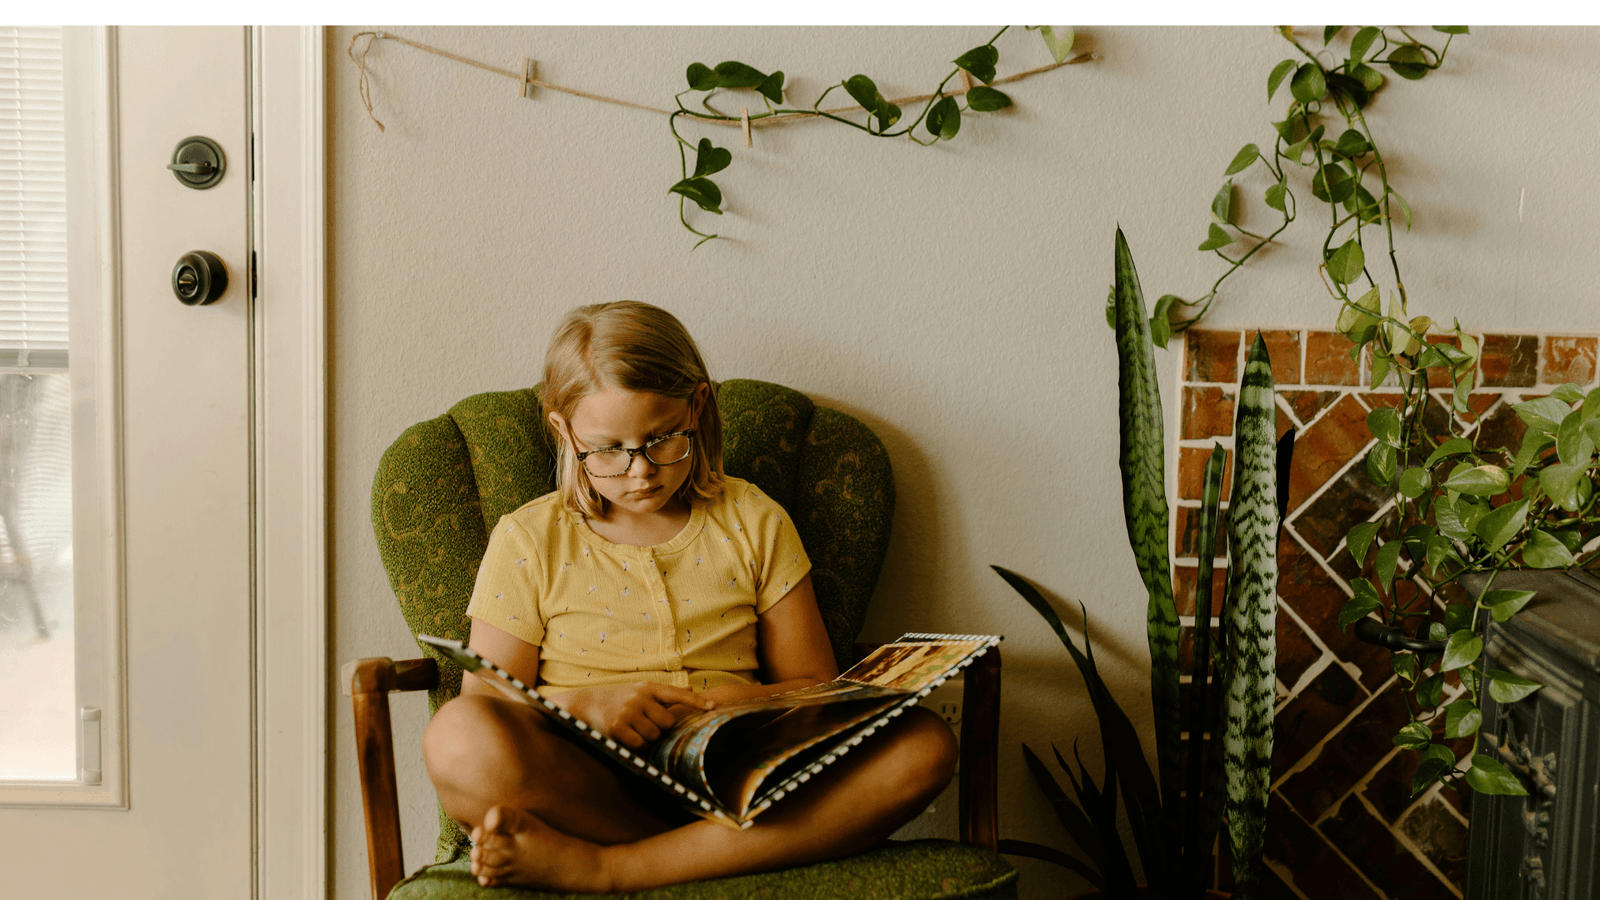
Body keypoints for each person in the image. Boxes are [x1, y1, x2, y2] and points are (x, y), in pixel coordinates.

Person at [421, 301, 957, 891]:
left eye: (661, 439)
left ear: (697, 409)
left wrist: (734, 702)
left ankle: (610, 867)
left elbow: (814, 687)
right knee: (458, 736)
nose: (640, 471)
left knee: (924, 744)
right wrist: (586, 709)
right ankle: (699, 853)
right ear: (563, 431)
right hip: (588, 787)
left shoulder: (753, 518)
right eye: (607, 450)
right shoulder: (529, 537)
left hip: (741, 777)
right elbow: (492, 699)